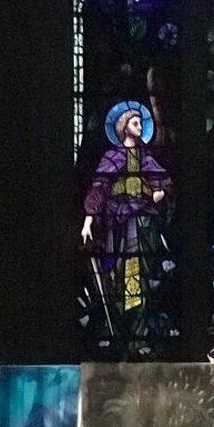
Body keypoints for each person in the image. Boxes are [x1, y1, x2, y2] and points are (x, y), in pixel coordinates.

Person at [81, 101, 173, 320]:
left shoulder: (146, 157)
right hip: (121, 222)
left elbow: (163, 180)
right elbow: (99, 188)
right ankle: (125, 316)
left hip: (145, 223)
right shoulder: (111, 158)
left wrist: (160, 193)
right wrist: (88, 219)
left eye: (141, 122)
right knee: (123, 266)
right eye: (135, 123)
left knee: (145, 267)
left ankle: (139, 316)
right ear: (124, 127)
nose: (140, 126)